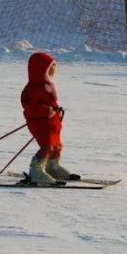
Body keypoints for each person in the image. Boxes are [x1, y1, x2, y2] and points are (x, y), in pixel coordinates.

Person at [20, 52, 80, 184]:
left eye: (53, 70)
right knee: (47, 146)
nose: (52, 73)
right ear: (40, 70)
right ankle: (36, 171)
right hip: (40, 123)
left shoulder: (46, 86)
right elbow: (30, 109)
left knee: (57, 145)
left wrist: (56, 112)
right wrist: (47, 111)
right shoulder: (32, 89)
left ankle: (52, 167)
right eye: (49, 70)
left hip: (52, 123)